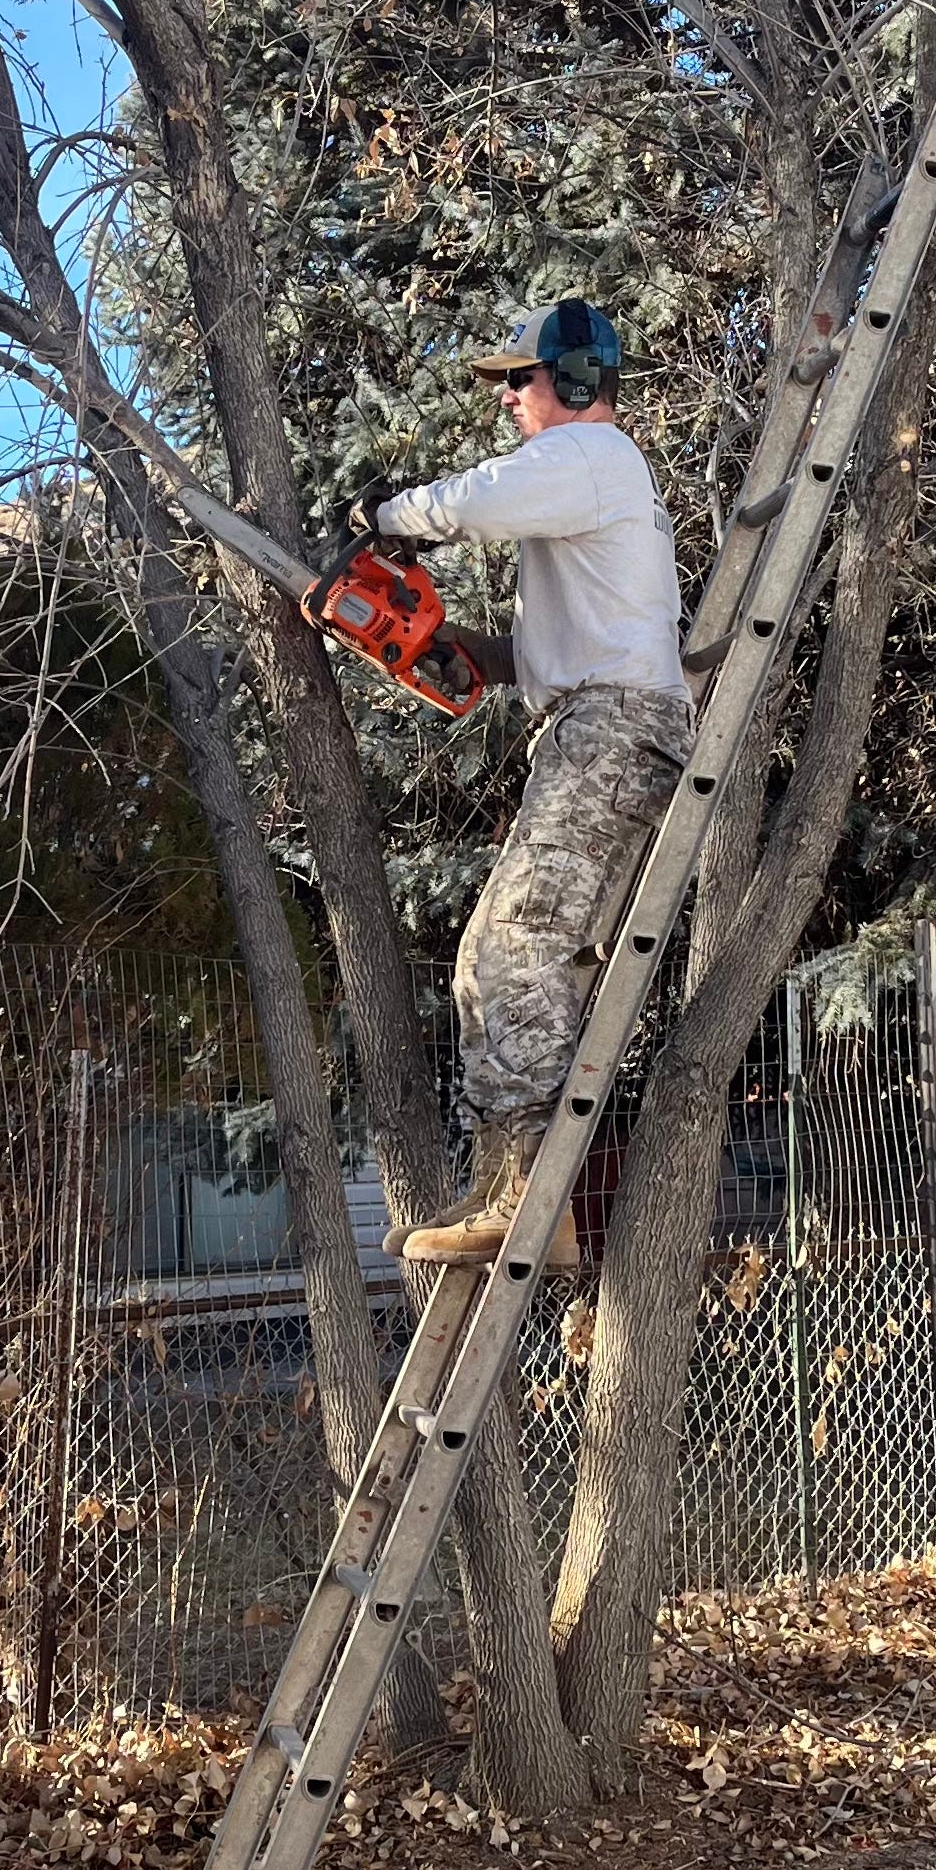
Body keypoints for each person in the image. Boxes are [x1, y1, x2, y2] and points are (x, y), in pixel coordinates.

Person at [349, 299, 694, 1270]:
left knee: (517, 946)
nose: (508, 395)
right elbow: (565, 643)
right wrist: (472, 655)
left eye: (522, 377)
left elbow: (475, 503)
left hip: (614, 729)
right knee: (480, 960)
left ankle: (538, 1205)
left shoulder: (590, 459)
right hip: (593, 721)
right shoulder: (588, 484)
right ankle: (506, 1190)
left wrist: (386, 520)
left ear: (579, 381)